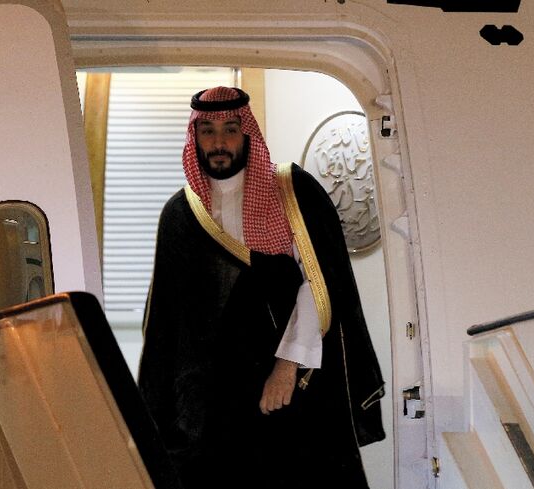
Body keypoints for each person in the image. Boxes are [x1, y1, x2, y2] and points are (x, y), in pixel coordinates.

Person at [138, 86, 385, 489]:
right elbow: (169, 325)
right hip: (217, 399)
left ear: (247, 132)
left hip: (288, 385)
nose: (219, 142)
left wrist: (287, 366)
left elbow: (319, 284)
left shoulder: (292, 191)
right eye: (208, 131)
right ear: (194, 138)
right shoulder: (180, 215)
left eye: (230, 129)